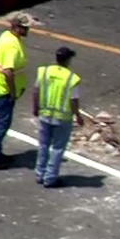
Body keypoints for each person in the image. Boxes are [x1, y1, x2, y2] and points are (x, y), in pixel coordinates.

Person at [0, 12, 35, 169]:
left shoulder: (6, 36)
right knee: (2, 124)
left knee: (1, 121)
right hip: (2, 89)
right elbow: (8, 71)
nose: (28, 30)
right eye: (25, 27)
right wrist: (13, 92)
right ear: (16, 27)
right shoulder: (12, 45)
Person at [33, 47, 84, 187]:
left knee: (43, 145)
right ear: (68, 60)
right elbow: (73, 100)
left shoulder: (45, 72)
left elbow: (36, 91)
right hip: (62, 118)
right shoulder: (71, 78)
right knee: (57, 148)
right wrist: (78, 115)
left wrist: (36, 108)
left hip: (45, 115)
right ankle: (50, 178)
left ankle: (39, 174)